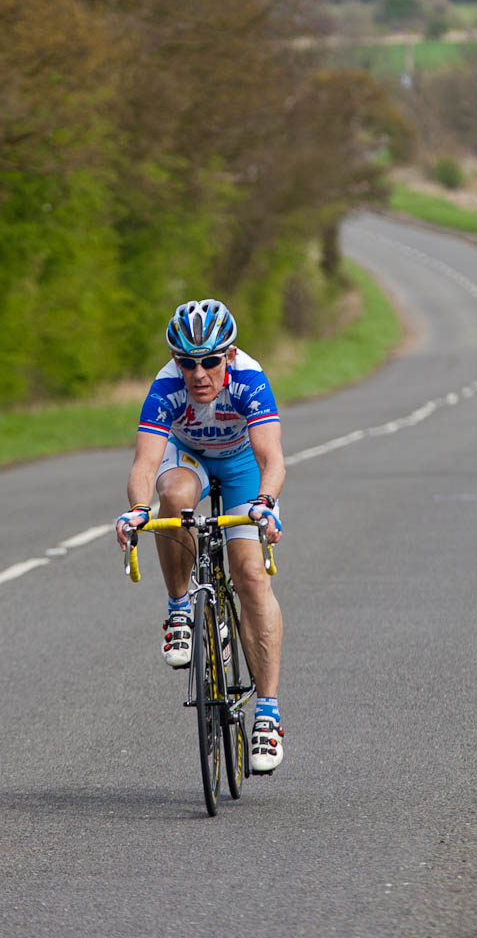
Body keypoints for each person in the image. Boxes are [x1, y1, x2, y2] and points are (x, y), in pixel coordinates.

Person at [114, 298, 286, 774]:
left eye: (210, 361)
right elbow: (145, 464)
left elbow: (271, 458)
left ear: (228, 357)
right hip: (186, 458)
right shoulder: (166, 386)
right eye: (187, 362)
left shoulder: (250, 379)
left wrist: (265, 504)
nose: (199, 373)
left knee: (251, 574)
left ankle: (268, 712)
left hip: (241, 467)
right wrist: (135, 511)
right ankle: (178, 609)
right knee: (172, 499)